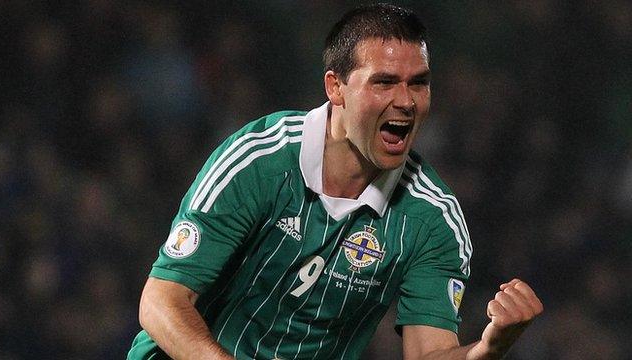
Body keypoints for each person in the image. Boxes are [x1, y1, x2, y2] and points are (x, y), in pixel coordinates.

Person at [127, 4, 543, 359]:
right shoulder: (259, 161)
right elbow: (162, 300)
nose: (406, 101)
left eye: (419, 82)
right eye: (384, 82)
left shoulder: (431, 217)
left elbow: (428, 353)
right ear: (336, 87)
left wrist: (487, 349)